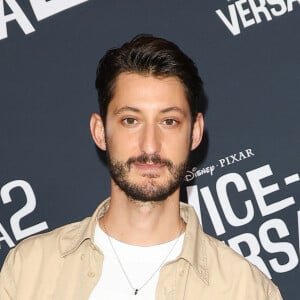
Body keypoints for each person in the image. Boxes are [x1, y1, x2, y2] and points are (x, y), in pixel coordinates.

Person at [0, 34, 282, 300]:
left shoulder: (245, 290)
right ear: (100, 131)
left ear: (195, 133)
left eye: (169, 121)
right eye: (130, 121)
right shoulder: (29, 269)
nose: (150, 146)